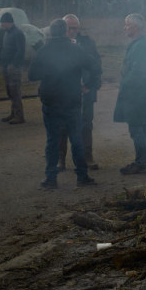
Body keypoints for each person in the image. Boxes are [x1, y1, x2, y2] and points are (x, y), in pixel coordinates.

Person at [28, 18, 100, 189]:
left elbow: (32, 75)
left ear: (51, 32)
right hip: (72, 101)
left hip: (51, 101)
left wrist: (47, 70)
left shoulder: (44, 51)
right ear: (65, 31)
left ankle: (51, 179)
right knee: (76, 139)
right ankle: (82, 176)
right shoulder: (75, 50)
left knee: (52, 141)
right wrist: (88, 85)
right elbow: (95, 66)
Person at [57, 14, 102, 170]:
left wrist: (91, 85)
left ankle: (87, 156)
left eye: (75, 27)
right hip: (64, 94)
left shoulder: (88, 43)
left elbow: (97, 66)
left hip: (85, 92)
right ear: (64, 28)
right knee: (62, 126)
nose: (72, 31)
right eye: (69, 28)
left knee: (86, 125)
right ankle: (60, 159)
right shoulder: (58, 44)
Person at [114, 13, 146, 174]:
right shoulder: (138, 44)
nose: (125, 28)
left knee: (137, 129)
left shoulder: (141, 46)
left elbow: (138, 72)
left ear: (135, 27)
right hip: (136, 93)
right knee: (140, 128)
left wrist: (124, 83)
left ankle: (142, 163)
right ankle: (143, 161)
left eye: (127, 25)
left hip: (136, 94)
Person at [0, 12, 26, 124]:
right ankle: (13, 113)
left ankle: (19, 116)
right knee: (10, 91)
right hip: (6, 65)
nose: (2, 25)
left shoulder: (18, 33)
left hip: (14, 67)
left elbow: (21, 50)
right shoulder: (7, 34)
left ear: (8, 22)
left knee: (15, 91)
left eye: (3, 23)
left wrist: (14, 64)